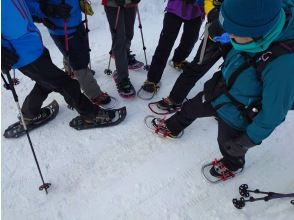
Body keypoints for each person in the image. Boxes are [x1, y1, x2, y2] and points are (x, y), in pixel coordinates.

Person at [149, 0, 294, 180]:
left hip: (238, 113)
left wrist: (247, 140)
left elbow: (273, 114)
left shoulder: (284, 66)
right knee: (191, 108)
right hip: (220, 89)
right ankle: (173, 127)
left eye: (234, 33)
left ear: (257, 34)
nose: (229, 34)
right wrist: (228, 38)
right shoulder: (257, 25)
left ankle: (233, 164)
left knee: (228, 145)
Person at [2, 0, 126, 137]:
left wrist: (47, 9)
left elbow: (27, 5)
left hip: (33, 44)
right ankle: (92, 115)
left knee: (46, 83)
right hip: (19, 53)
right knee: (66, 84)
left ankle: (28, 115)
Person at [26, 0, 111, 106]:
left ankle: (70, 70)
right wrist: (48, 11)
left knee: (71, 54)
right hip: (62, 27)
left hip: (73, 22)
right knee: (79, 62)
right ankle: (94, 94)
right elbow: (27, 5)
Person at [151, 0, 231, 112]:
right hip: (216, 29)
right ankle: (157, 84)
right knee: (195, 65)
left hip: (249, 37)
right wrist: (213, 13)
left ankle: (225, 105)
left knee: (234, 71)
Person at [138, 0, 204, 96]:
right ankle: (152, 79)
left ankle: (178, 60)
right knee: (165, 44)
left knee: (190, 40)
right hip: (175, 9)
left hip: (196, 12)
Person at [102, 0, 141, 98]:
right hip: (113, 4)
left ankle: (124, 56)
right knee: (119, 39)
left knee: (129, 34)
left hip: (131, 2)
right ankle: (122, 77)